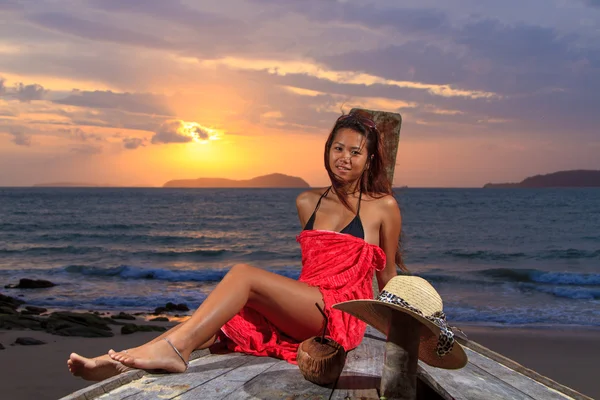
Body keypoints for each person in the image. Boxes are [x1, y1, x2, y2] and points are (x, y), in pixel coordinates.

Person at [67, 111, 407, 381]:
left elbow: (387, 277)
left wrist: (406, 335)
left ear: (369, 158)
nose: (344, 158)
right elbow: (315, 271)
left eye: (355, 151)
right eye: (338, 148)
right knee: (217, 320)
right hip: (306, 304)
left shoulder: (383, 207)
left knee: (243, 275)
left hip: (339, 316)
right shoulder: (308, 202)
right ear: (327, 149)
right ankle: (120, 361)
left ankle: (175, 352)